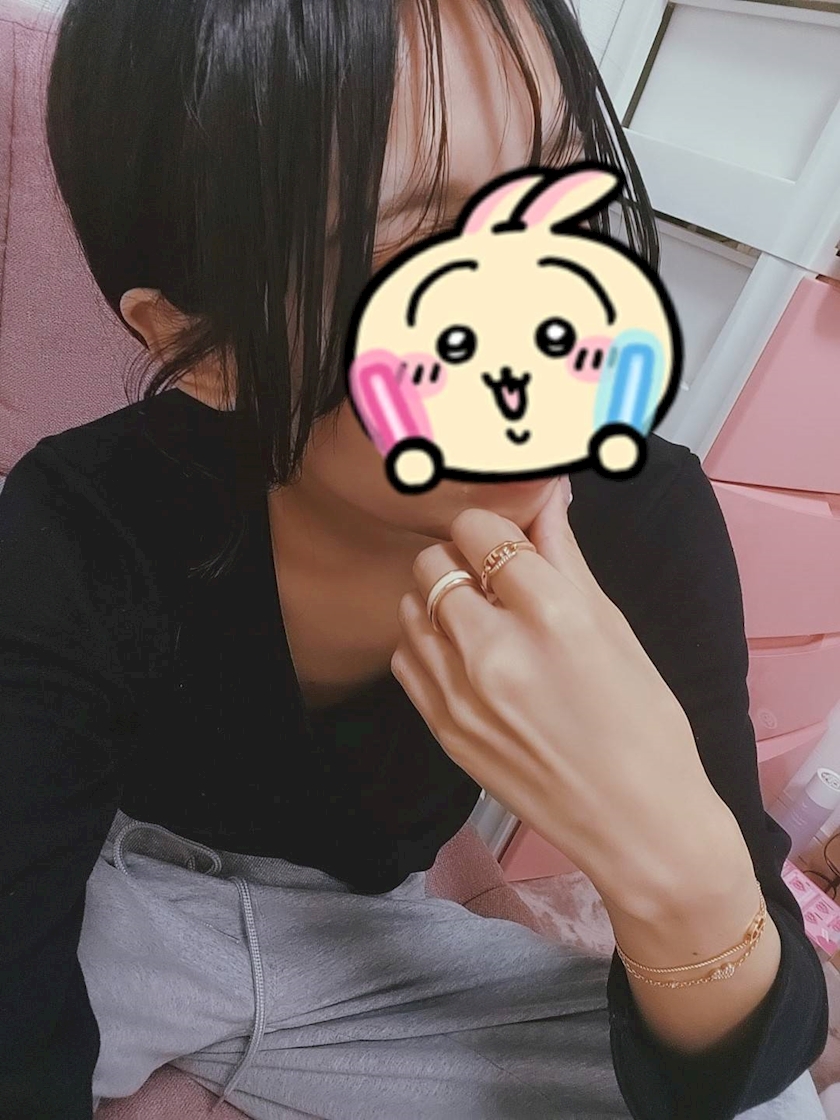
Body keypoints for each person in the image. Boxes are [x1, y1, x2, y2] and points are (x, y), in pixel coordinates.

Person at [0, 0, 828, 1118]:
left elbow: (748, 1038)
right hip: (113, 897)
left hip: (363, 949)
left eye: (552, 196)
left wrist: (672, 853)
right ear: (203, 347)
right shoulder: (82, 525)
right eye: (417, 249)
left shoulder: (639, 517)